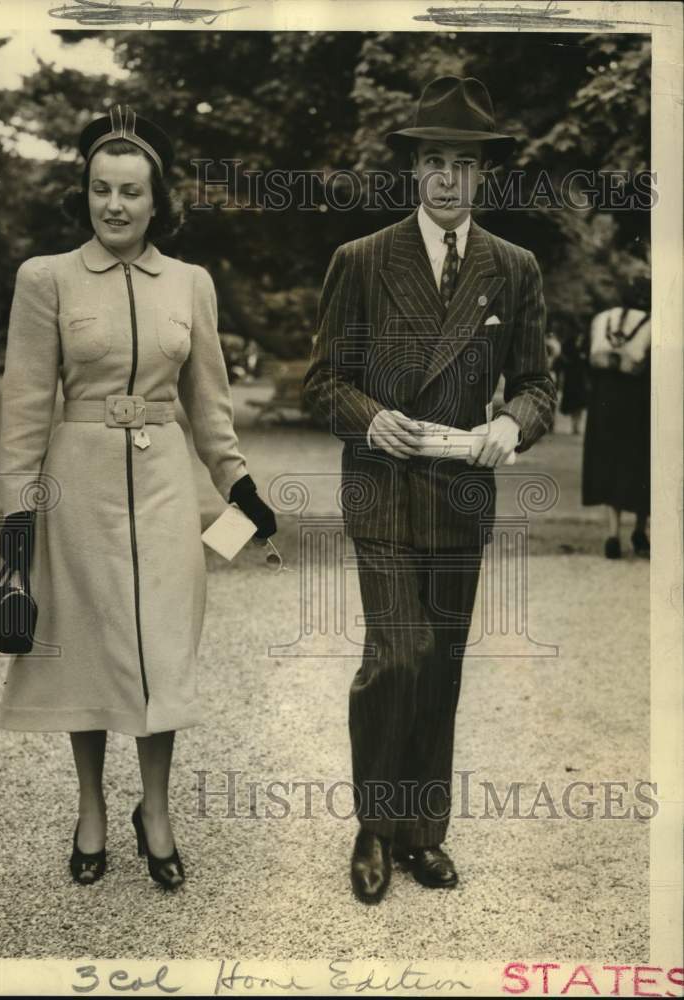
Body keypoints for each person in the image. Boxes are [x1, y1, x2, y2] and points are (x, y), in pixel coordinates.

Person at [0, 106, 276, 888]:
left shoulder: (191, 283)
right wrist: (19, 515)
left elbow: (210, 404)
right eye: (99, 190)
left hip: (163, 489)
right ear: (83, 195)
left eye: (130, 192)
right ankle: (90, 806)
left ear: (158, 202)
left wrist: (238, 485)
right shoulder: (44, 278)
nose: (113, 205)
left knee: (161, 649)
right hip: (75, 487)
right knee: (86, 650)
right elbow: (22, 406)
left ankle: (154, 809)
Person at [303, 76, 556, 903]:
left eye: (463, 164)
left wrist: (508, 427)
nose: (447, 178)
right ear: (413, 171)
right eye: (432, 162)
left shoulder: (513, 269)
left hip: (461, 496)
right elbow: (322, 383)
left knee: (440, 664)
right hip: (381, 490)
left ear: (482, 176)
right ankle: (375, 826)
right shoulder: (363, 260)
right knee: (398, 653)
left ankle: (421, 832)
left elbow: (537, 385)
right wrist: (369, 417)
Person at [581, 284, 651, 559]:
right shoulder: (652, 324)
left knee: (609, 463)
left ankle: (612, 533)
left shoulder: (601, 320)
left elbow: (591, 363)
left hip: (605, 403)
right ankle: (639, 529)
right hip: (639, 403)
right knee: (640, 466)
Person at [554, 331, 589, 434]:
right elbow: (563, 357)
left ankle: (577, 425)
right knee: (574, 402)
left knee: (581, 403)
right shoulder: (569, 343)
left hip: (581, 377)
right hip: (572, 376)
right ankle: (574, 424)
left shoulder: (586, 344)